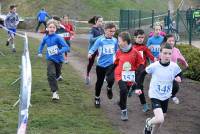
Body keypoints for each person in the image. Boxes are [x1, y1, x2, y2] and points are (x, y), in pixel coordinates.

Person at [137, 44, 182, 134]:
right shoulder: (154, 66)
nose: (167, 56)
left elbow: (179, 73)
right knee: (160, 118)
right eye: (165, 53)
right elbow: (142, 74)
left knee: (160, 121)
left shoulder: (174, 66)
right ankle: (148, 123)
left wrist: (179, 78)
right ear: (160, 54)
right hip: (155, 95)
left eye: (169, 53)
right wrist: (138, 87)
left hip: (166, 96)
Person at [114, 32, 144, 120]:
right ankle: (124, 111)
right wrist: (110, 72)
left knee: (125, 92)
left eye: (119, 41)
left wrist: (139, 71)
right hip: (120, 75)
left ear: (125, 41)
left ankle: (121, 102)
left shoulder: (135, 51)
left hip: (130, 75)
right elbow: (115, 63)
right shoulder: (119, 52)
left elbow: (141, 62)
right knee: (123, 90)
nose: (118, 43)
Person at [37, 19, 69, 100]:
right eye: (50, 27)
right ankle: (54, 93)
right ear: (47, 28)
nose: (52, 29)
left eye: (53, 27)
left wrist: (59, 51)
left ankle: (58, 76)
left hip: (59, 59)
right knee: (51, 74)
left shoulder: (58, 38)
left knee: (57, 74)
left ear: (56, 28)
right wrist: (39, 52)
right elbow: (42, 45)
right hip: (50, 58)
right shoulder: (46, 38)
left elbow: (66, 47)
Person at [88, 23, 117, 108]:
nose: (112, 33)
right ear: (105, 30)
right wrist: (90, 53)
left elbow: (117, 51)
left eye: (114, 31)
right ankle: (97, 98)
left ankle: (109, 88)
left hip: (111, 64)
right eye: (110, 31)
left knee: (111, 79)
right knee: (99, 82)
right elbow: (94, 48)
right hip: (100, 65)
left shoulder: (115, 40)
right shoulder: (100, 40)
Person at [129, 29, 156, 112]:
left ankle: (144, 105)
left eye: (142, 37)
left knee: (140, 86)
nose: (141, 39)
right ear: (135, 38)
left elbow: (150, 55)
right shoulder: (131, 47)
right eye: (139, 37)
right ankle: (133, 88)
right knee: (138, 85)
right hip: (133, 70)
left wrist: (155, 59)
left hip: (142, 71)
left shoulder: (144, 48)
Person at [163, 34, 188, 104]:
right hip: (164, 71)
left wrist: (185, 63)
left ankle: (173, 95)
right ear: (165, 41)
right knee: (165, 87)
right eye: (169, 41)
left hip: (174, 71)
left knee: (176, 87)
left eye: (173, 41)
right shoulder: (163, 49)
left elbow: (181, 57)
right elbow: (159, 58)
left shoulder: (176, 50)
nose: (171, 42)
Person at [85, 15, 104, 84]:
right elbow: (91, 40)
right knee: (91, 63)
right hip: (92, 49)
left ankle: (102, 76)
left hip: (100, 50)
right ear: (96, 21)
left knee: (101, 63)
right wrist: (100, 36)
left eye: (102, 21)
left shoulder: (102, 29)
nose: (101, 22)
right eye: (99, 21)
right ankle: (87, 75)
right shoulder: (92, 29)